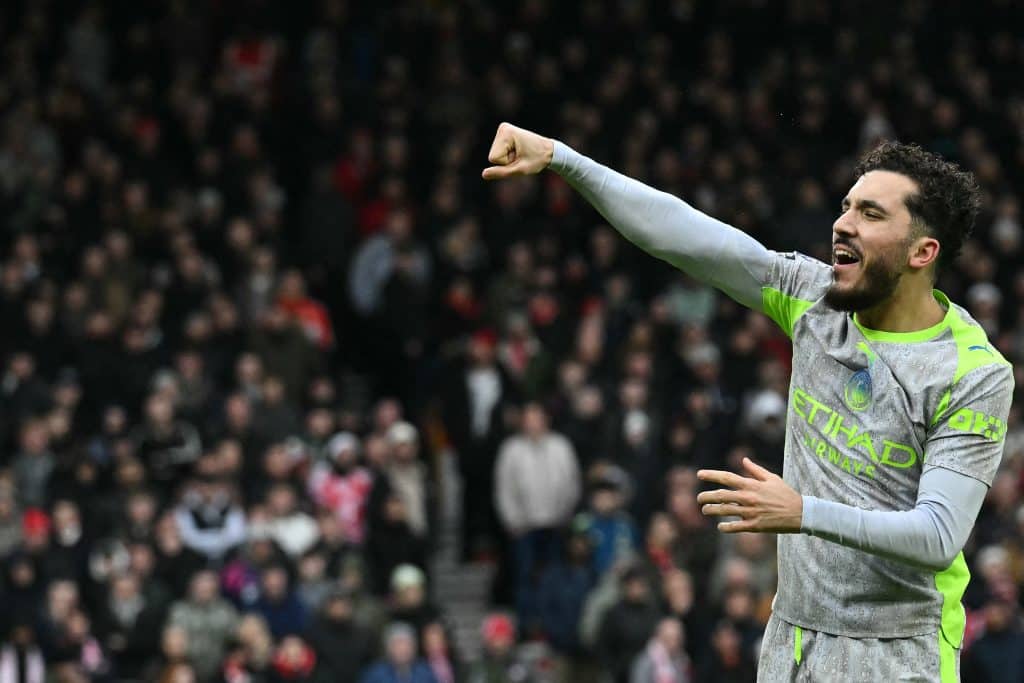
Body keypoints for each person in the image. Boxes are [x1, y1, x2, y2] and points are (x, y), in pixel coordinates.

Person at [482, 123, 1015, 680]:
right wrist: (564, 158)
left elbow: (936, 535)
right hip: (792, 640)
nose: (843, 223)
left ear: (922, 252)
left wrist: (802, 513)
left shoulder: (973, 373)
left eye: (872, 215)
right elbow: (685, 235)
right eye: (847, 206)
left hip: (896, 651)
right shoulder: (814, 301)